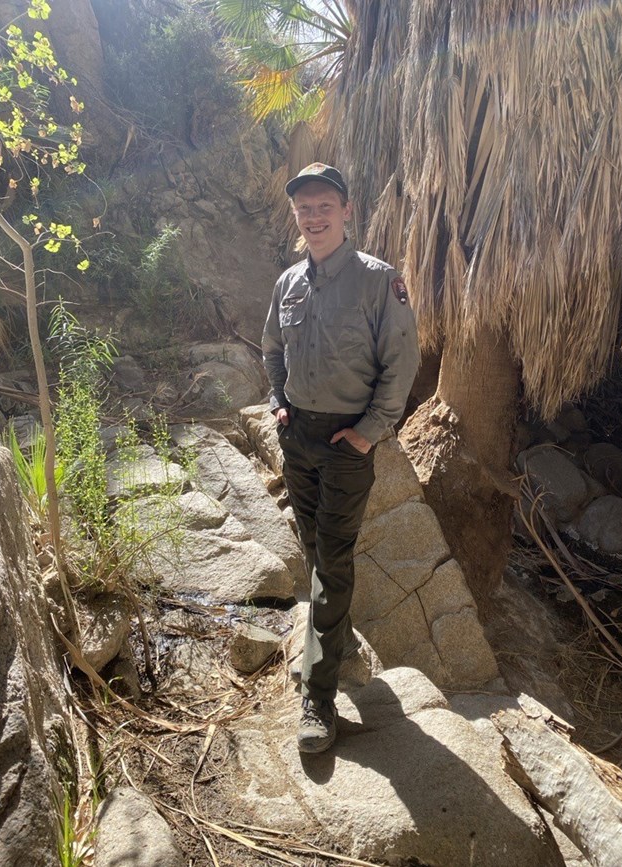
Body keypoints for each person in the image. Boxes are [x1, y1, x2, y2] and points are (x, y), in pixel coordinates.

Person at [262, 163, 420, 753]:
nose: (315, 216)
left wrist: (368, 432)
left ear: (346, 211)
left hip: (346, 444)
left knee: (331, 559)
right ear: (297, 217)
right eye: (305, 208)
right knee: (313, 546)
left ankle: (319, 697)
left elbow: (401, 363)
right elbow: (272, 347)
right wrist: (279, 404)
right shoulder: (288, 283)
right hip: (297, 436)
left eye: (325, 205)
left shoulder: (380, 281)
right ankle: (337, 636)